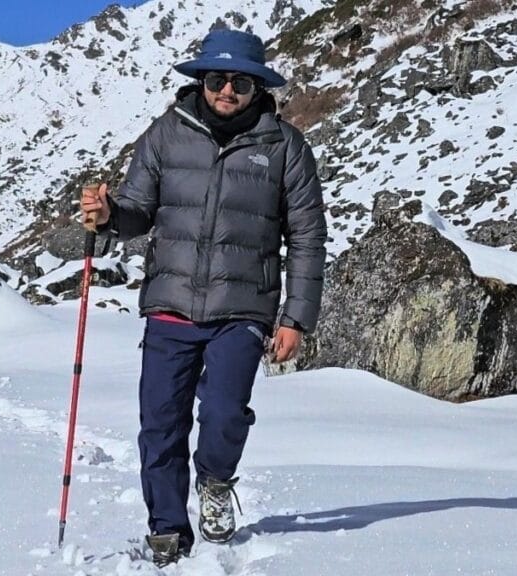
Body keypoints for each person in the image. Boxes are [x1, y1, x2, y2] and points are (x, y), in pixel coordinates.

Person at [80, 29, 327, 566]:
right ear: (201, 81)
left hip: (244, 308)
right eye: (217, 79)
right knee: (160, 424)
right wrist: (108, 216)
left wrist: (295, 318)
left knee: (223, 412)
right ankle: (167, 527)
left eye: (241, 81)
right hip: (170, 304)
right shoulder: (165, 135)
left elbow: (308, 238)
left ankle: (215, 481)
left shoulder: (285, 147)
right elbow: (137, 212)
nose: (227, 90)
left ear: (259, 87)